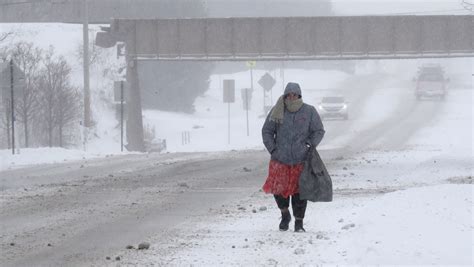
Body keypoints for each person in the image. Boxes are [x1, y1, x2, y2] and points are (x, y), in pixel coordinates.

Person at [261, 82, 325, 232]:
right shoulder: (277, 111)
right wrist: (273, 149)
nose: (291, 97)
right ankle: (284, 214)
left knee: (299, 193)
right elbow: (267, 131)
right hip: (280, 160)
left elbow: (319, 131)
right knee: (278, 190)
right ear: (285, 96)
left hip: (301, 160)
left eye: (294, 94)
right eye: (289, 95)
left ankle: (299, 222)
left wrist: (309, 145)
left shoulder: (309, 111)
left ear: (299, 95)